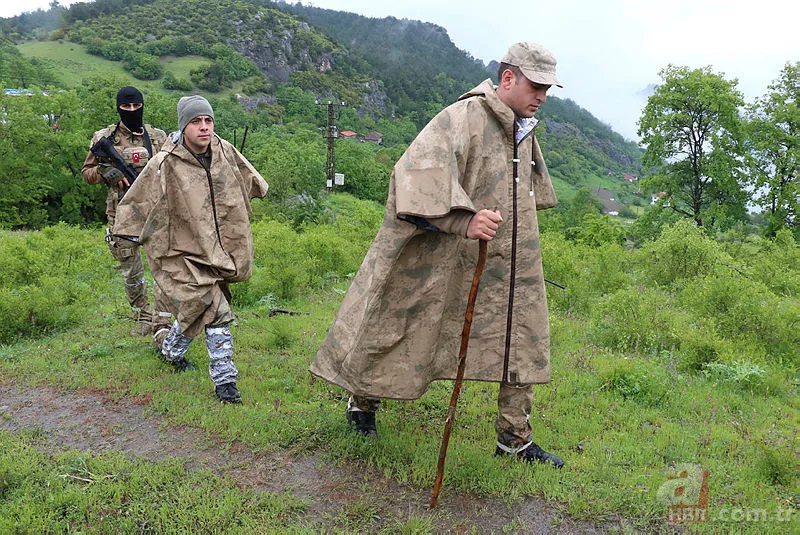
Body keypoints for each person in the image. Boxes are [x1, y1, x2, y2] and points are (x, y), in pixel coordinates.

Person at [310, 42, 564, 467]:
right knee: (400, 322)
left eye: (548, 89)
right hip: (445, 255)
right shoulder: (460, 118)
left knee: (521, 335)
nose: (542, 96)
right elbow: (413, 179)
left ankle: (514, 438)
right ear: (508, 78)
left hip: (510, 260)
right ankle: (363, 401)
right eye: (536, 86)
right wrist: (463, 221)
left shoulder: (523, 129)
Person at [112, 95, 268, 403]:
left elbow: (251, 181)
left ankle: (171, 351)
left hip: (221, 249)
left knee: (200, 306)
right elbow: (137, 200)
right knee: (217, 311)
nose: (204, 127)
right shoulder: (165, 164)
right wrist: (125, 234)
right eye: (196, 122)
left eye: (208, 120)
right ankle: (226, 382)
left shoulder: (225, 151)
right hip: (181, 253)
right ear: (184, 126)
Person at [82, 86, 171, 336]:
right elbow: (86, 173)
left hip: (156, 213)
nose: (132, 111)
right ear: (118, 107)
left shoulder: (157, 137)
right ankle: (143, 317)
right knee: (132, 273)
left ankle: (162, 321)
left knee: (164, 270)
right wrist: (103, 172)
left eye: (136, 106)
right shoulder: (105, 138)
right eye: (126, 107)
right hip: (121, 214)